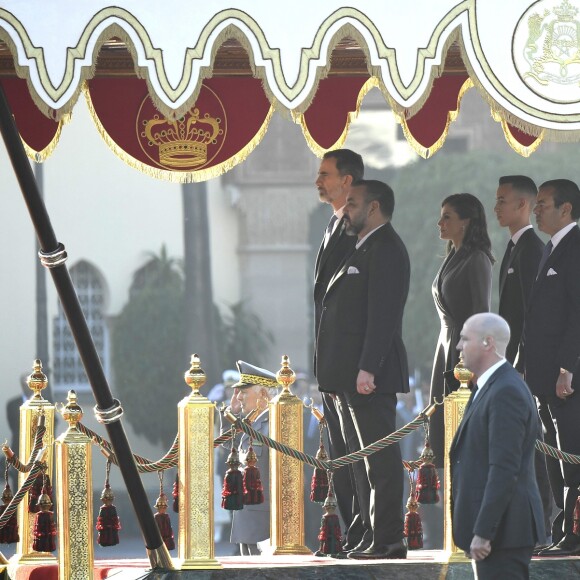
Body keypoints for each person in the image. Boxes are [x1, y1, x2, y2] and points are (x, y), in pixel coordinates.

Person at [315, 179, 410, 560]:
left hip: (370, 376)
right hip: (350, 377)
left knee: (380, 462)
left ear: (373, 208)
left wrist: (368, 367)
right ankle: (371, 536)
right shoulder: (361, 246)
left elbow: (383, 317)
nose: (346, 210)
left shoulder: (385, 247)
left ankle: (388, 539)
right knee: (360, 461)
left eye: (352, 203)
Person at [451, 313, 544, 580]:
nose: (458, 346)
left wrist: (484, 532)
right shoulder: (490, 385)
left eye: (465, 338)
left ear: (487, 343)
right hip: (498, 534)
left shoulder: (506, 391)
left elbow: (504, 468)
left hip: (504, 534)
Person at [519, 179, 580, 557]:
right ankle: (563, 530)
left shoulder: (575, 248)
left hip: (566, 377)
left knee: (571, 452)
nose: (536, 210)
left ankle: (573, 533)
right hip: (542, 376)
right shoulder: (552, 249)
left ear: (566, 209)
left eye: (543, 204)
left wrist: (566, 367)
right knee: (555, 456)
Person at [494, 175, 552, 545]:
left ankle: (543, 526)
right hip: (513, 365)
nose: (496, 207)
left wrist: (520, 363)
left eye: (503, 200)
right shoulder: (515, 247)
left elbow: (534, 315)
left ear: (523, 206)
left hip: (525, 368)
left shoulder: (531, 248)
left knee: (539, 452)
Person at [313, 148, 365, 547]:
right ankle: (350, 532)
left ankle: (368, 530)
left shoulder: (358, 229)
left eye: (326, 174)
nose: (319, 180)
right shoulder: (334, 224)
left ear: (347, 181)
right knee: (341, 455)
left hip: (352, 363)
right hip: (331, 363)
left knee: (359, 454)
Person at [429, 193, 494, 468]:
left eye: (447, 217)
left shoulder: (478, 259)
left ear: (465, 222)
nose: (439, 223)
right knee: (442, 428)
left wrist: (475, 365)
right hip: (445, 345)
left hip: (463, 353)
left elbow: (482, 316)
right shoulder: (453, 256)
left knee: (461, 435)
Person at [225, 360, 277, 556]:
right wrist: (231, 414)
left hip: (263, 517)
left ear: (263, 393)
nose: (238, 397)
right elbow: (226, 444)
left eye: (244, 392)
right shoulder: (251, 423)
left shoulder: (274, 423)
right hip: (246, 515)